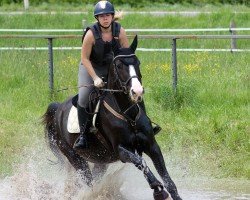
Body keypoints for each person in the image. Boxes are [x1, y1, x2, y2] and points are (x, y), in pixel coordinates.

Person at [74, 0, 160, 149]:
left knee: (134, 90)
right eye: (101, 16)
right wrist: (94, 78)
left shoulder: (119, 31)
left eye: (108, 15)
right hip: (91, 67)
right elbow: (84, 58)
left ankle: (146, 125)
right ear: (97, 18)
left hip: (112, 67)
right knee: (84, 96)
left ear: (112, 16)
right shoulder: (90, 34)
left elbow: (127, 55)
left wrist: (132, 77)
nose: (105, 18)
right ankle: (83, 135)